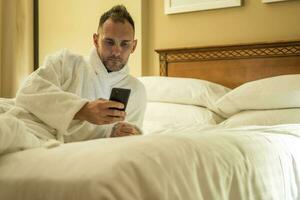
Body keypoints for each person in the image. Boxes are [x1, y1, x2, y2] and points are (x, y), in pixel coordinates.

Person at [1, 4, 146, 154]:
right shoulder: (66, 62)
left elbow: (128, 142)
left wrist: (122, 133)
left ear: (134, 46)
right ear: (96, 40)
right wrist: (82, 109)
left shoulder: (136, 91)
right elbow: (27, 92)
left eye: (125, 44)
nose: (116, 51)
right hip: (29, 125)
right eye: (109, 42)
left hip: (45, 143)